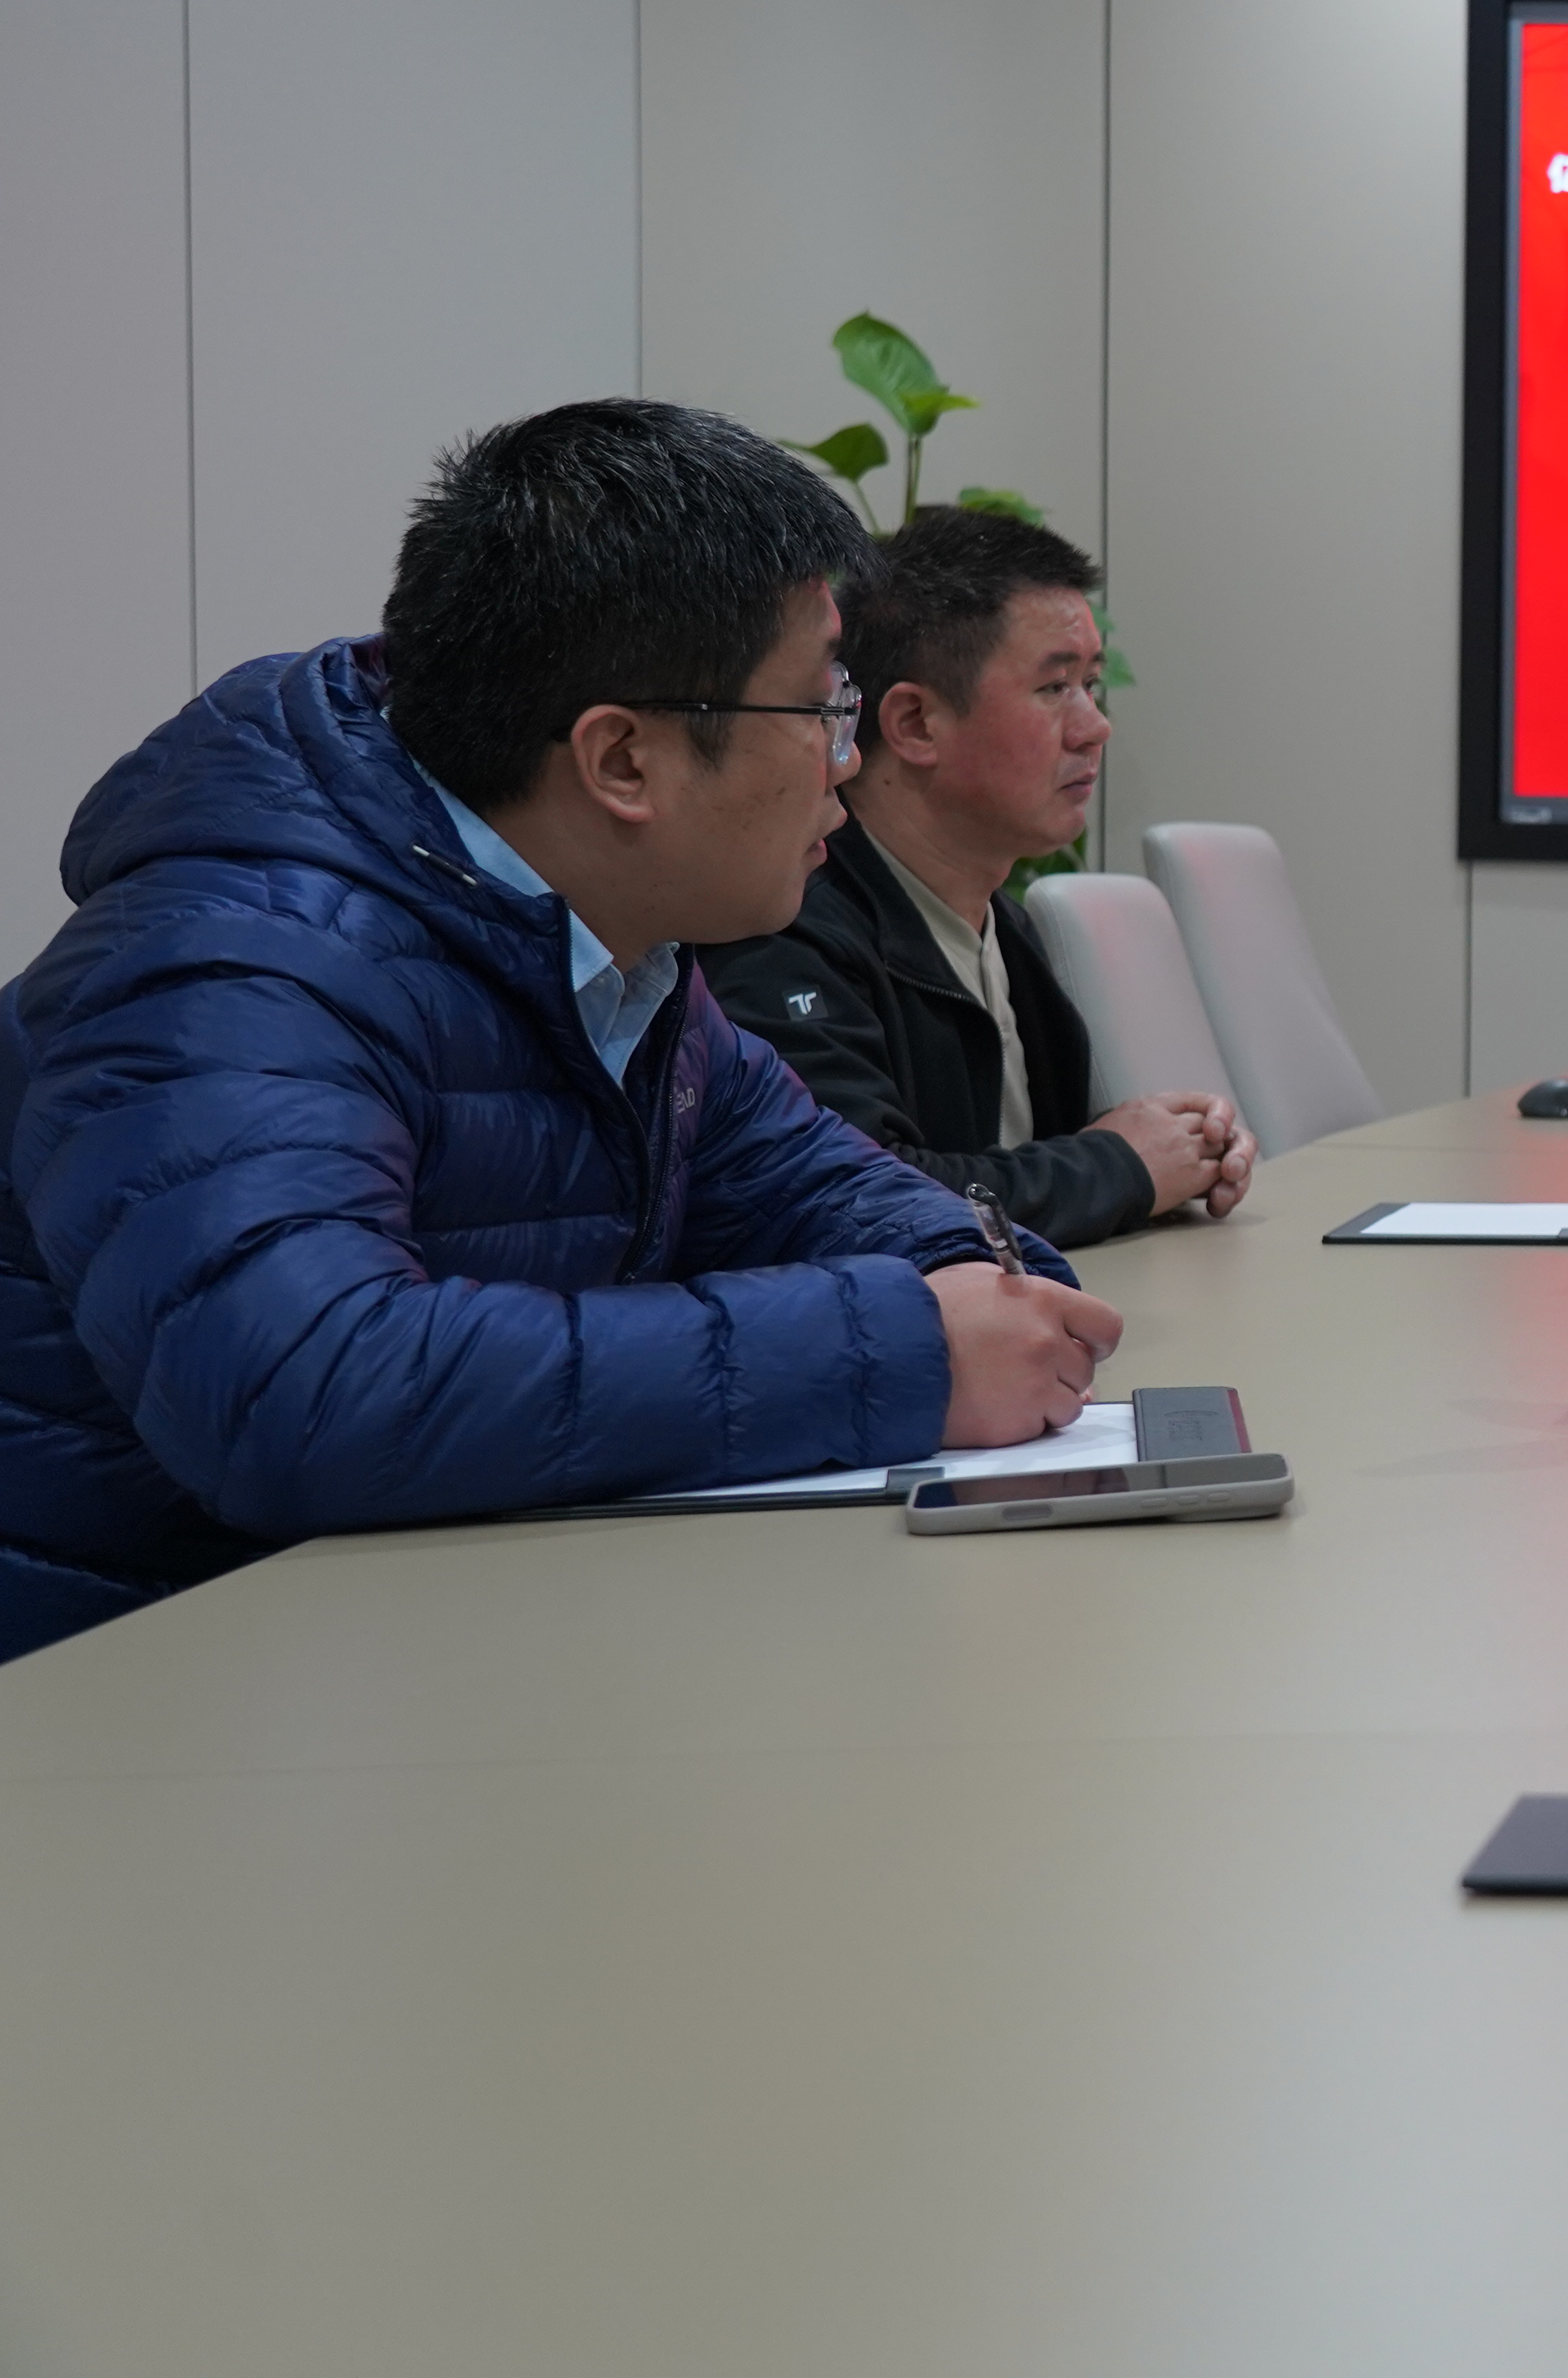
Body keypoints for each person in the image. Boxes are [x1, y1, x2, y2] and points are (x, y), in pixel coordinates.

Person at [0, 400, 1124, 1664]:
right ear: (623, 762)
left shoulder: (612, 957)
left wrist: (982, 1287)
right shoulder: (233, 971)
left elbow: (826, 1190)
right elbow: (299, 1394)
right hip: (113, 1692)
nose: (848, 762)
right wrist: (902, 1348)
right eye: (820, 708)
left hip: (399, 1653)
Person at [703, 509, 1254, 1247]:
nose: (1095, 727)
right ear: (915, 723)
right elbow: (861, 1196)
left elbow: (1030, 1163)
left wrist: (1179, 1150)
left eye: (1091, 684)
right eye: (1055, 687)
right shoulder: (785, 925)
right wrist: (1121, 1165)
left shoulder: (1003, 923)